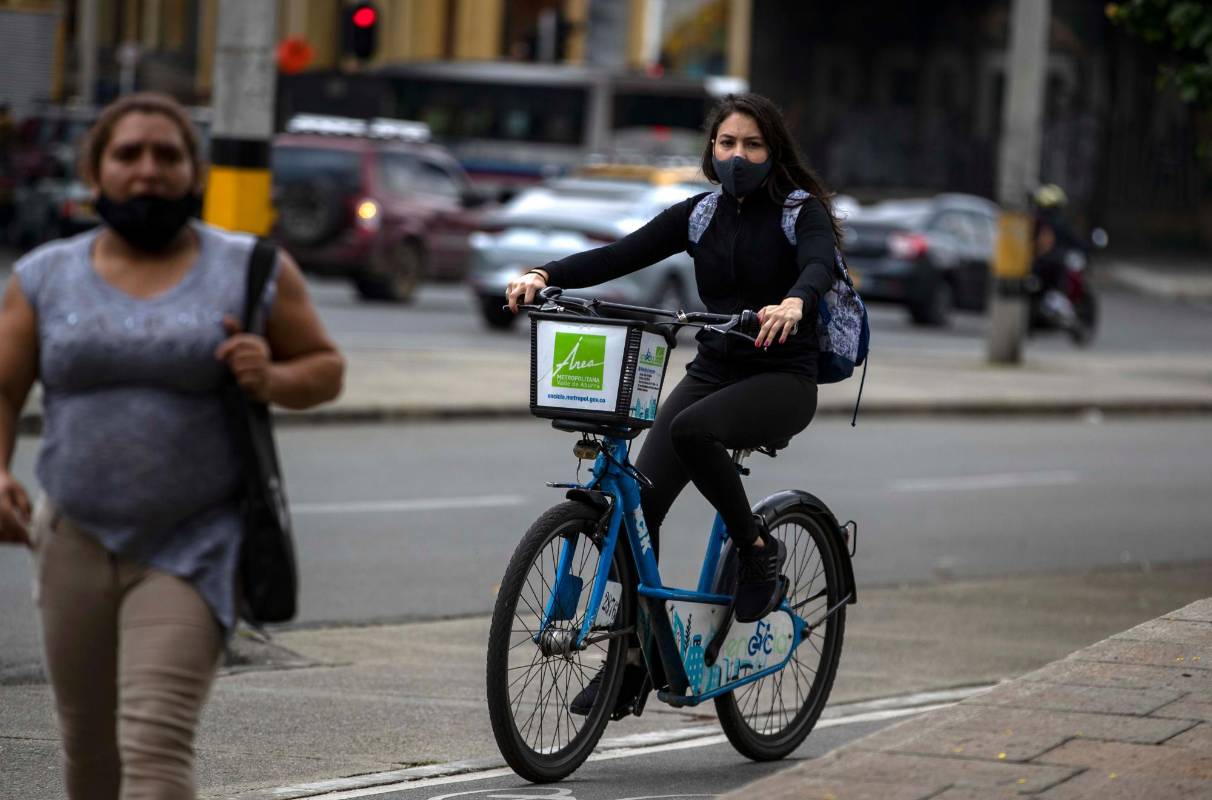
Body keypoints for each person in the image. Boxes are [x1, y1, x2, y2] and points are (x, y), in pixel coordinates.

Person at [0, 92, 343, 799]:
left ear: (195, 173)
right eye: (128, 155)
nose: (148, 170)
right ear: (95, 174)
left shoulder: (250, 268)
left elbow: (326, 369)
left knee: (155, 753)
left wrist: (271, 375)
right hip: (71, 539)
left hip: (195, 546)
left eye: (167, 155)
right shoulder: (44, 276)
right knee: (89, 754)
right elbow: (4, 386)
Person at [506, 92, 842, 712]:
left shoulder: (800, 213)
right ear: (711, 152)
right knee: (638, 504)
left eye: (752, 145)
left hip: (784, 377)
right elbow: (618, 255)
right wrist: (545, 274)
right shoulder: (699, 215)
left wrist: (795, 302)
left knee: (692, 431)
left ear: (774, 153)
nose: (738, 156)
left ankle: (757, 551)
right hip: (715, 366)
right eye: (726, 144)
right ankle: (633, 657)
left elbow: (818, 265)